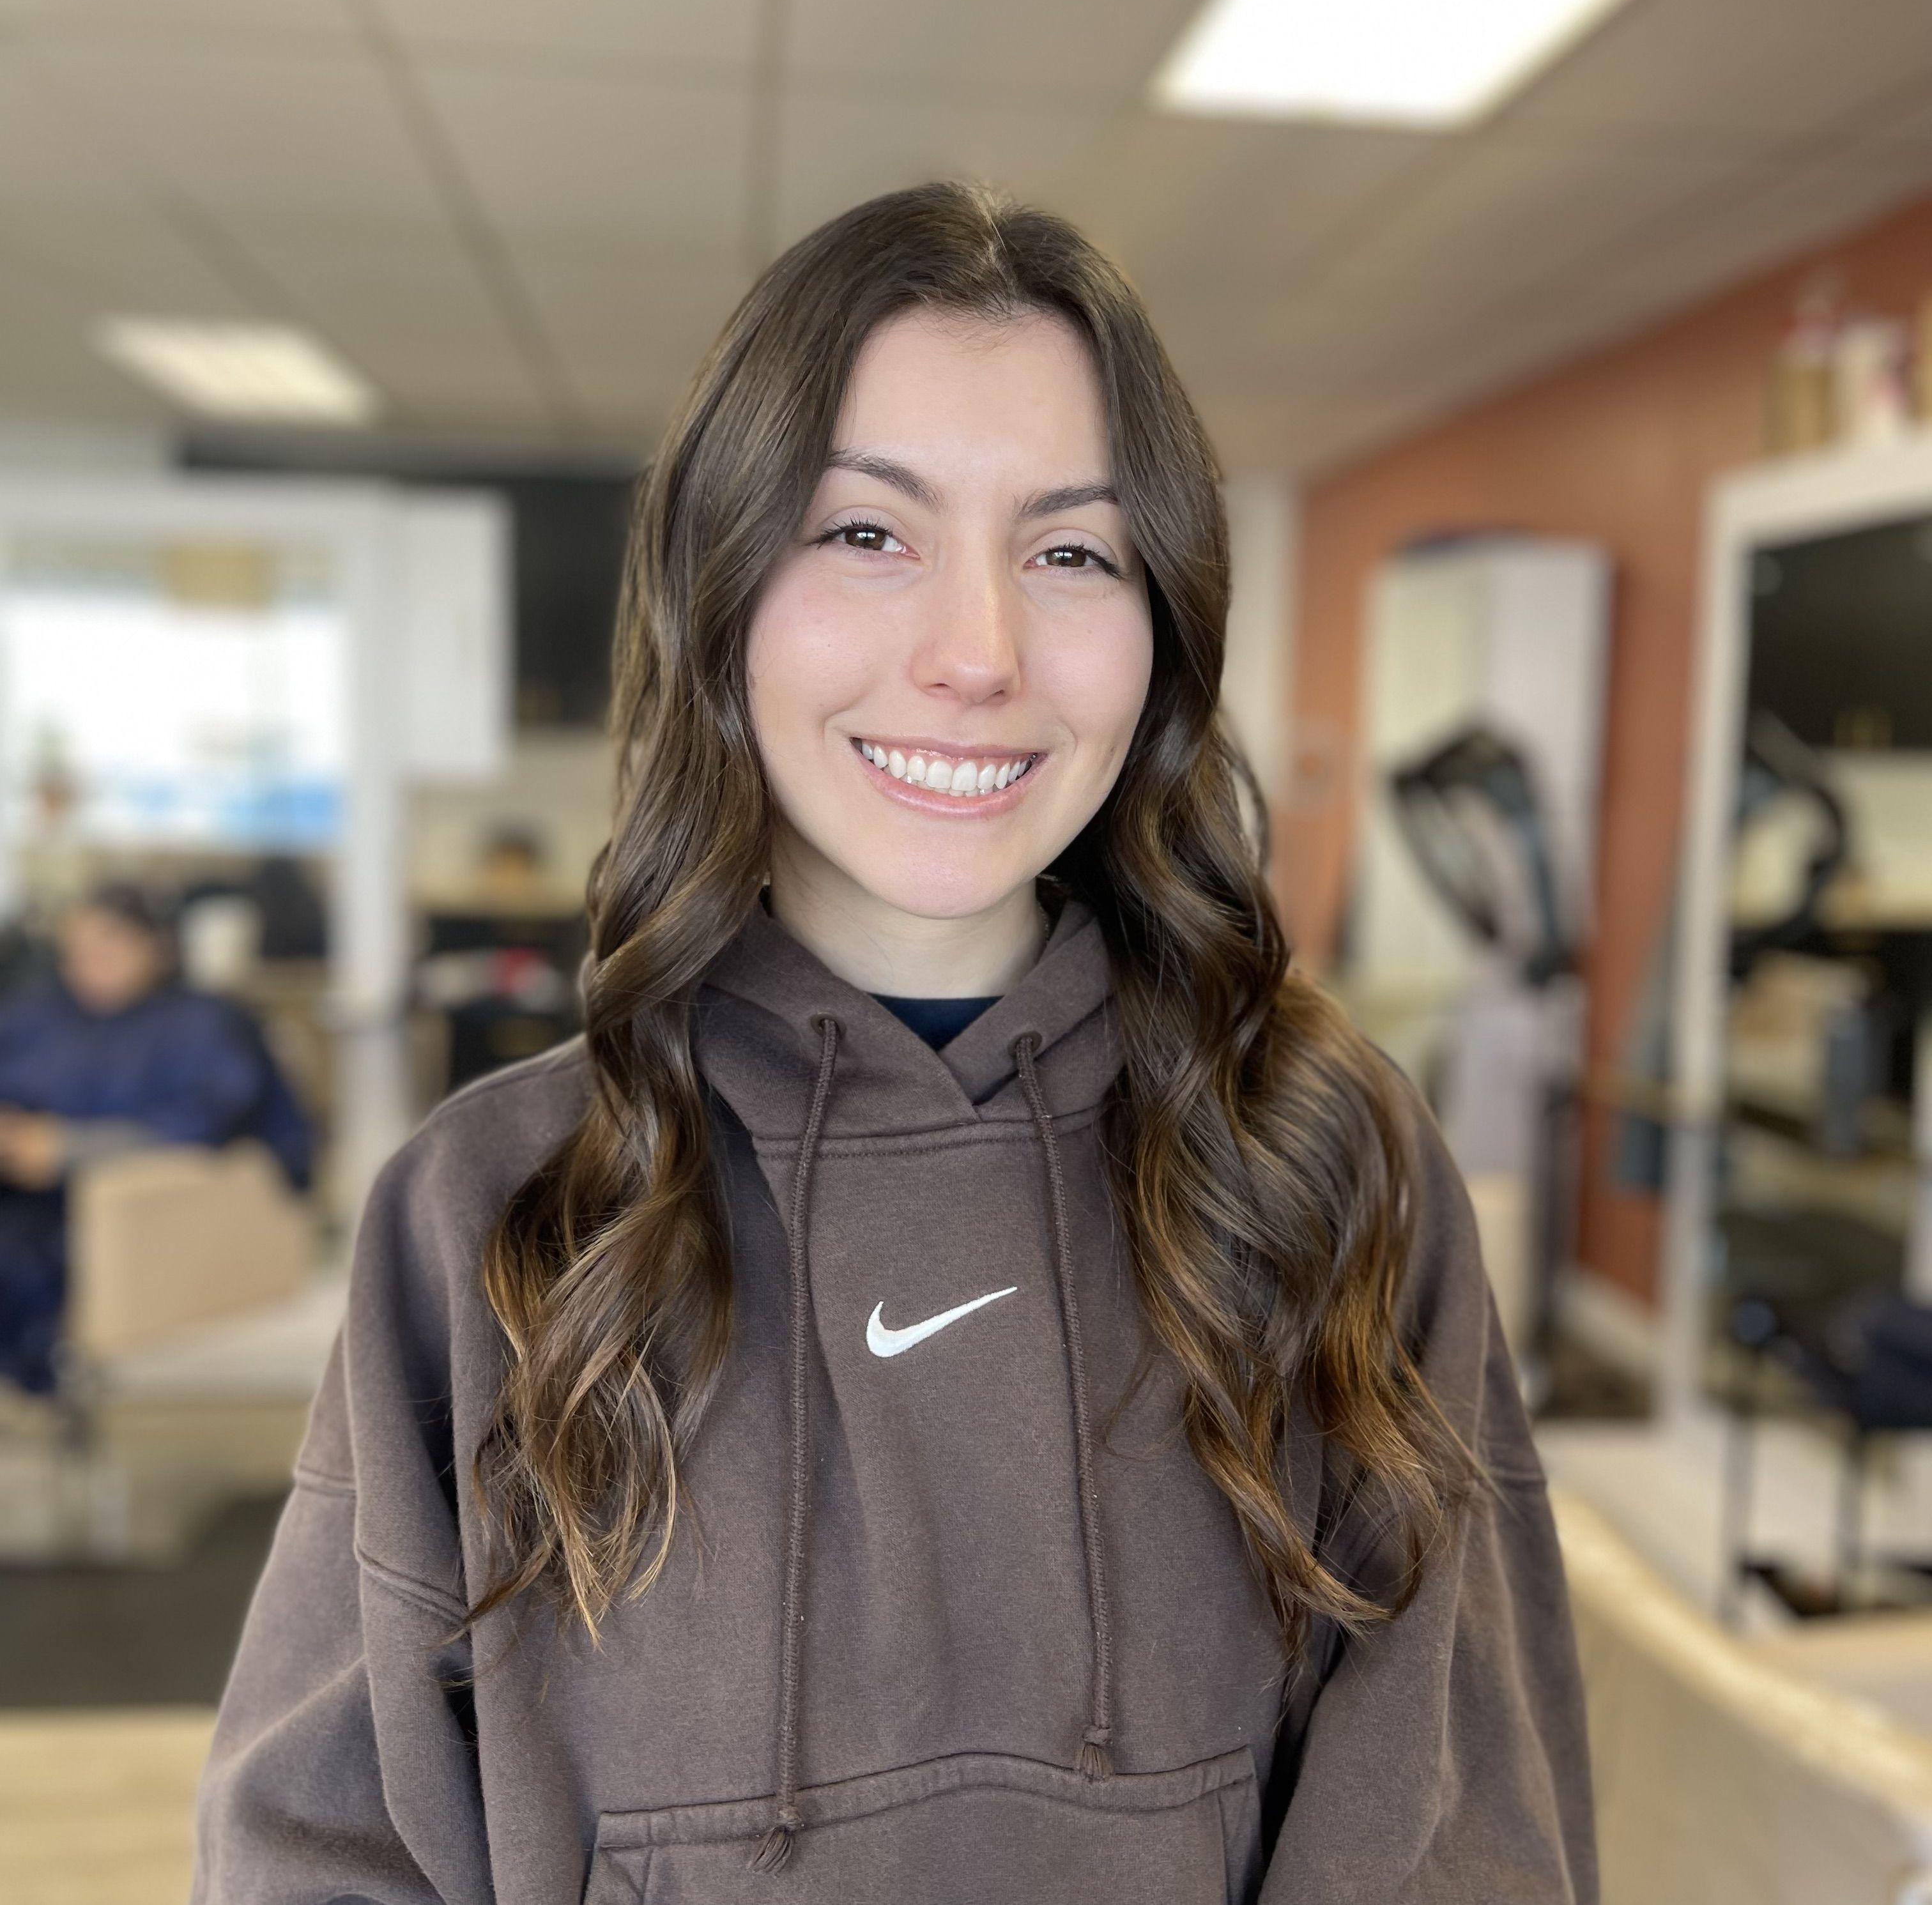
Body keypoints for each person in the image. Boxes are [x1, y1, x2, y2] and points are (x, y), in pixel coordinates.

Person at [191, 182, 1597, 1903]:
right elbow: (320, 1851)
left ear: (1161, 630)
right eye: (868, 532)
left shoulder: (1327, 1162)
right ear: (718, 586)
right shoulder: (493, 1207)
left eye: (1071, 552)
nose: (978, 653)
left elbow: (1464, 1831)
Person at [0, 882, 314, 1396]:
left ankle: (42, 1377)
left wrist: (67, 1149)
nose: (88, 966)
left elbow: (203, 1123)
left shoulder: (205, 1024)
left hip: (129, 1211)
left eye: (108, 947)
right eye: (75, 952)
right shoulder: (38, 1016)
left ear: (158, 947)